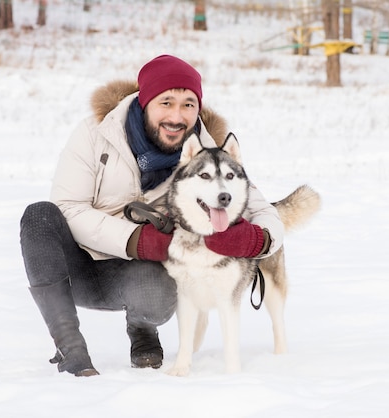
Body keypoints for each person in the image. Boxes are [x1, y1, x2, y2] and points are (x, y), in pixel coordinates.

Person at [19, 55, 285, 377]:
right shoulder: (96, 133)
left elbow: (261, 209)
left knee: (163, 284)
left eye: (188, 104)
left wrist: (261, 238)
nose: (177, 116)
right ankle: (70, 346)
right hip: (77, 267)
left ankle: (142, 330)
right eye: (166, 102)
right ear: (145, 102)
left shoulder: (205, 151)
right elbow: (68, 207)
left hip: (137, 276)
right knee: (39, 217)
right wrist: (136, 240)